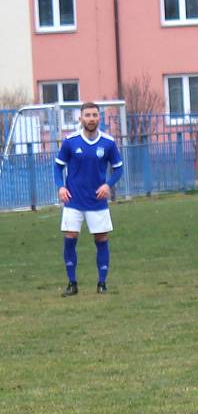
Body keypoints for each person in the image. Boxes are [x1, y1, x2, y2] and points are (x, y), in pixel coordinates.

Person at [53, 102, 123, 296]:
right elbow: (58, 166)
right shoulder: (70, 141)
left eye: (94, 115)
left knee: (101, 239)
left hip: (97, 201)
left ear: (99, 118)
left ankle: (102, 284)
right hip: (74, 200)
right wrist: (60, 187)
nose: (91, 119)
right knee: (70, 238)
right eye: (88, 115)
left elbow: (119, 168)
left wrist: (108, 185)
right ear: (80, 118)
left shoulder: (108, 142)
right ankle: (72, 283)